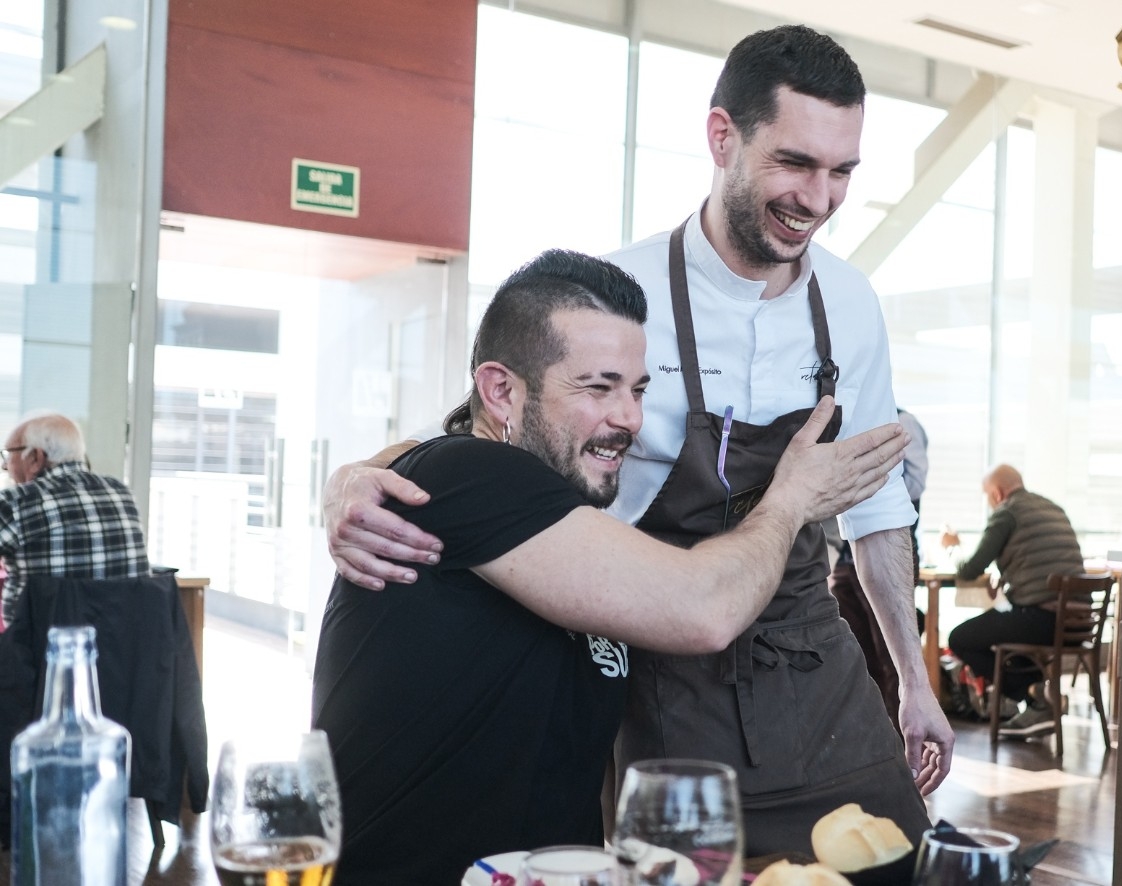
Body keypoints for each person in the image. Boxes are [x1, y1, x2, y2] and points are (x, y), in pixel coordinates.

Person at [321, 26, 953, 880]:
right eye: (796, 164)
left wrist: (912, 682)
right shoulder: (619, 295)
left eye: (842, 172)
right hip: (661, 645)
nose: (820, 197)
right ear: (722, 137)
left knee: (900, 865)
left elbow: (876, 509)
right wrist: (360, 476)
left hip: (810, 656)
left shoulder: (852, 301)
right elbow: (490, 425)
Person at [310, 249, 908, 885]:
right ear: (501, 390)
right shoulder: (471, 476)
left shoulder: (554, 510)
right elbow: (704, 611)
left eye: (638, 388)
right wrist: (791, 499)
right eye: (598, 387)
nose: (629, 418)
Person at [940, 463, 1085, 737]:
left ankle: (1035, 695)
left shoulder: (1007, 513)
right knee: (1003, 627)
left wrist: (951, 548)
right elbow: (1038, 562)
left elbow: (970, 568)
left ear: (996, 493)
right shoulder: (1052, 508)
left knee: (960, 638)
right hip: (1078, 623)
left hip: (1042, 621)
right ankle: (1037, 698)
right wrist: (1007, 578)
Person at [826, 407, 928, 728]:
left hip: (884, 551)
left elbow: (914, 484)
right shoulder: (844, 418)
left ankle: (903, 739)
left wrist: (864, 486)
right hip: (844, 560)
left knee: (891, 657)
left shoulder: (903, 421)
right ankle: (875, 736)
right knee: (858, 659)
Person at [0, 412, 150, 627]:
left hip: (39, 652)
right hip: (125, 651)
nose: (5, 466)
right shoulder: (122, 493)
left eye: (8, 455)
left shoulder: (15, 502)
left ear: (36, 458)